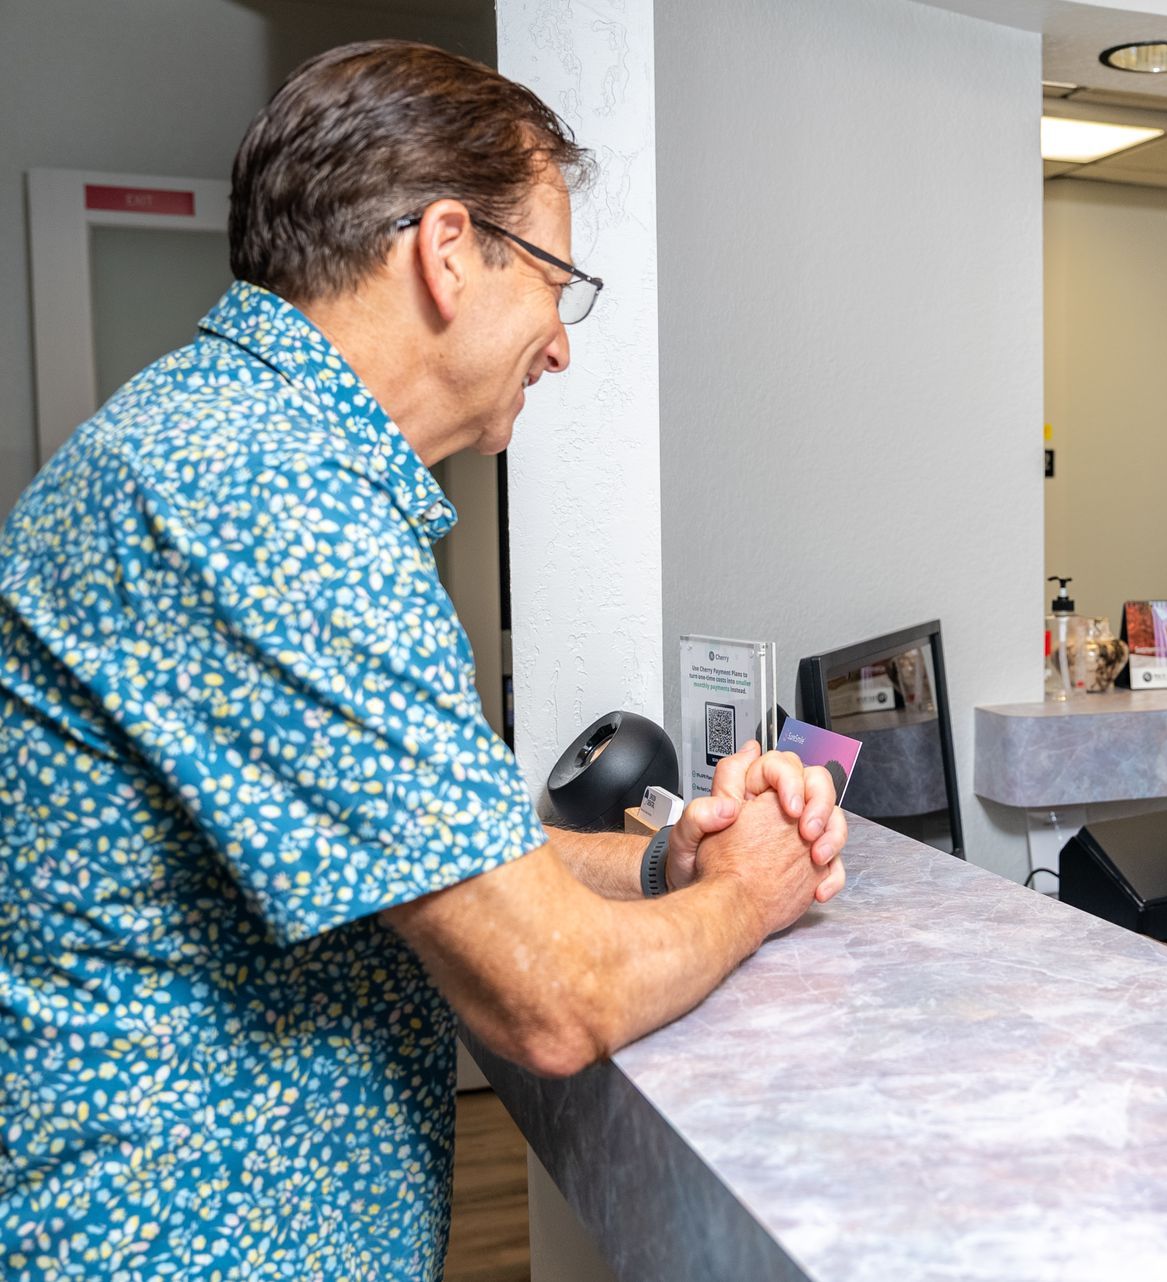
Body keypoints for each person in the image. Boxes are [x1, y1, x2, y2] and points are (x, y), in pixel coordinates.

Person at [0, 41, 846, 1280]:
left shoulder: (226, 446)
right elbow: (552, 998)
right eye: (556, 281)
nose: (561, 344)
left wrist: (669, 857)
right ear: (447, 250)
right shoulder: (269, 497)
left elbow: (429, 861)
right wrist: (753, 888)